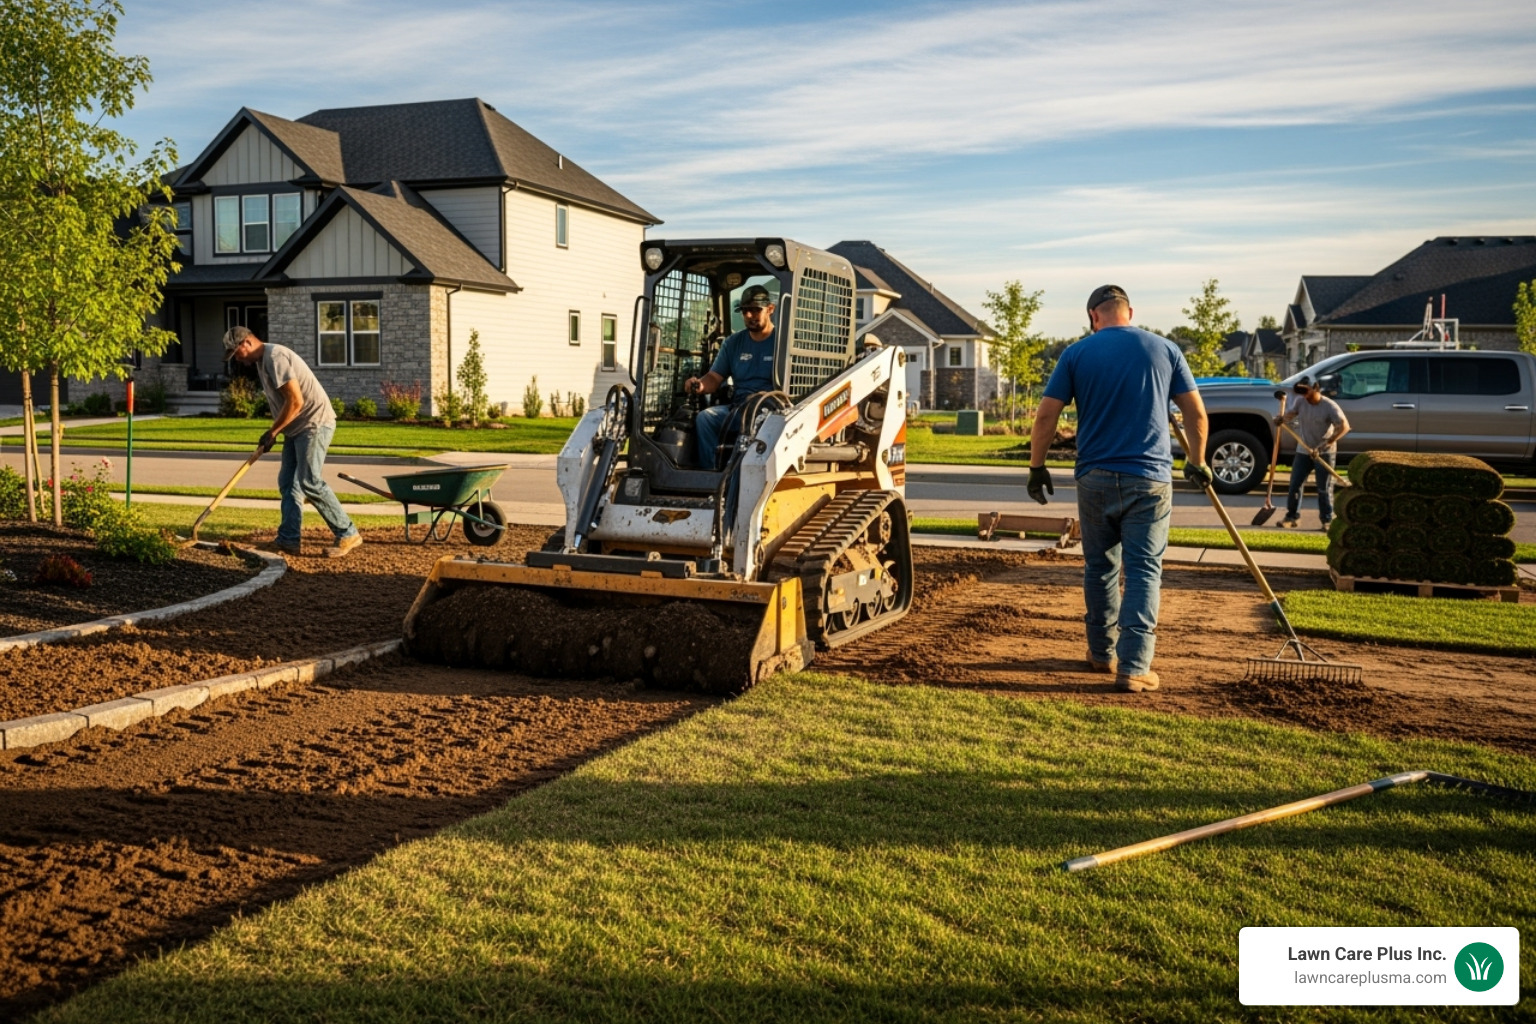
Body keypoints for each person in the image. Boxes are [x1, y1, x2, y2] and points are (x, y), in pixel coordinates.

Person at [1027, 285, 1209, 694]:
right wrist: (1197, 461)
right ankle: (1135, 666)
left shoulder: (1076, 353)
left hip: (1094, 477)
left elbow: (1046, 416)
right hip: (1150, 478)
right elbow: (1196, 413)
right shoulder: (1165, 349)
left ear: (1094, 316)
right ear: (1130, 312)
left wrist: (1037, 467)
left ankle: (1101, 653)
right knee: (1143, 570)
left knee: (1099, 567)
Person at [223, 326, 362, 558]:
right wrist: (276, 431)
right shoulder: (262, 361)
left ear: (247, 342)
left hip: (314, 423)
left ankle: (348, 532)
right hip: (296, 427)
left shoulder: (275, 357)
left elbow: (296, 401)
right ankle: (288, 540)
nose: (237, 359)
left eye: (236, 353)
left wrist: (272, 432)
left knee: (309, 481)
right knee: (288, 482)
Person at [685, 284, 778, 467]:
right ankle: (711, 475)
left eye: (755, 310)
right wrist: (700, 385)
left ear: (770, 309)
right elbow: (714, 377)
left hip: (772, 412)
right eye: (745, 311)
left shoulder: (783, 342)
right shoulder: (733, 343)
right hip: (739, 408)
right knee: (705, 418)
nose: (749, 315)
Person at [1277, 374, 1349, 530]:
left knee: (1324, 488)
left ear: (1316, 388)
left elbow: (1344, 427)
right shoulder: (1301, 401)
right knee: (1295, 485)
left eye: (1306, 391)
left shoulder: (1329, 406)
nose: (1304, 395)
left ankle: (1327, 520)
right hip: (1303, 450)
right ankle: (1292, 517)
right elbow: (1290, 415)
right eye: (1301, 392)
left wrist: (1326, 444)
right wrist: (1282, 419)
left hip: (1324, 452)